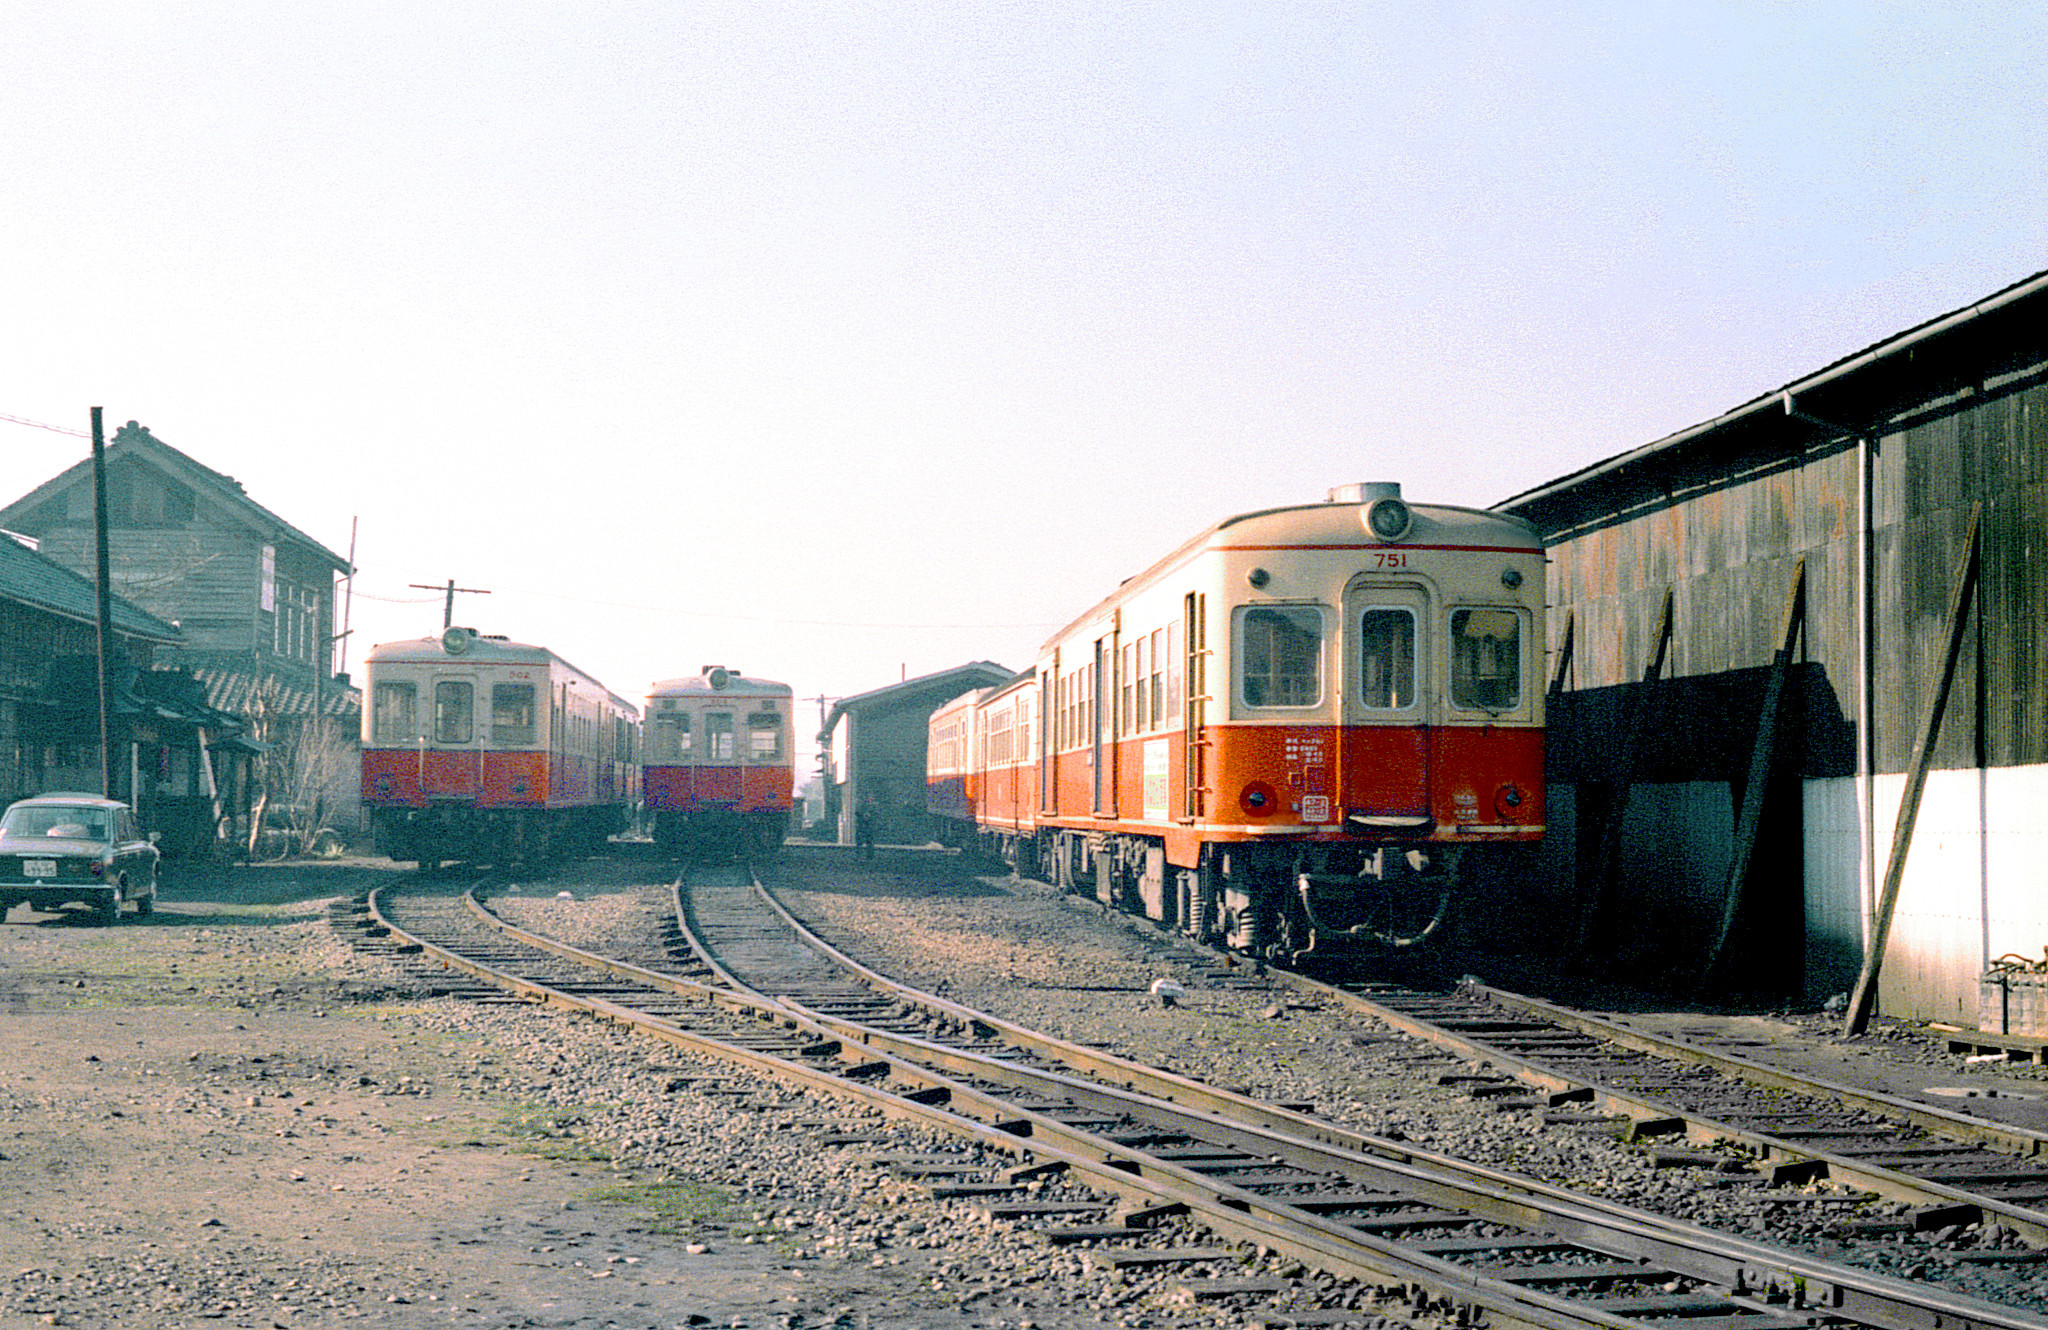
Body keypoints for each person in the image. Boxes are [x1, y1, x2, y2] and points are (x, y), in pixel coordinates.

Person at [854, 797, 876, 861]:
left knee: (867, 841)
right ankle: (860, 856)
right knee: (861, 842)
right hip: (863, 827)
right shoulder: (862, 809)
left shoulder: (868, 808)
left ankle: (866, 856)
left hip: (866, 827)